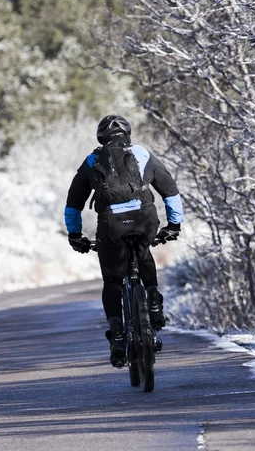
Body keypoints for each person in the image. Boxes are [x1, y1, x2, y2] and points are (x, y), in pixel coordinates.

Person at [64, 115, 183, 367]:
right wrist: (173, 225)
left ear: (101, 139)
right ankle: (152, 301)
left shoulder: (92, 161)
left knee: (112, 281)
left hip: (111, 226)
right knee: (143, 254)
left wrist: (75, 236)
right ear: (128, 135)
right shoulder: (141, 154)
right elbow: (170, 191)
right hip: (144, 219)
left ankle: (118, 335)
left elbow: (73, 204)